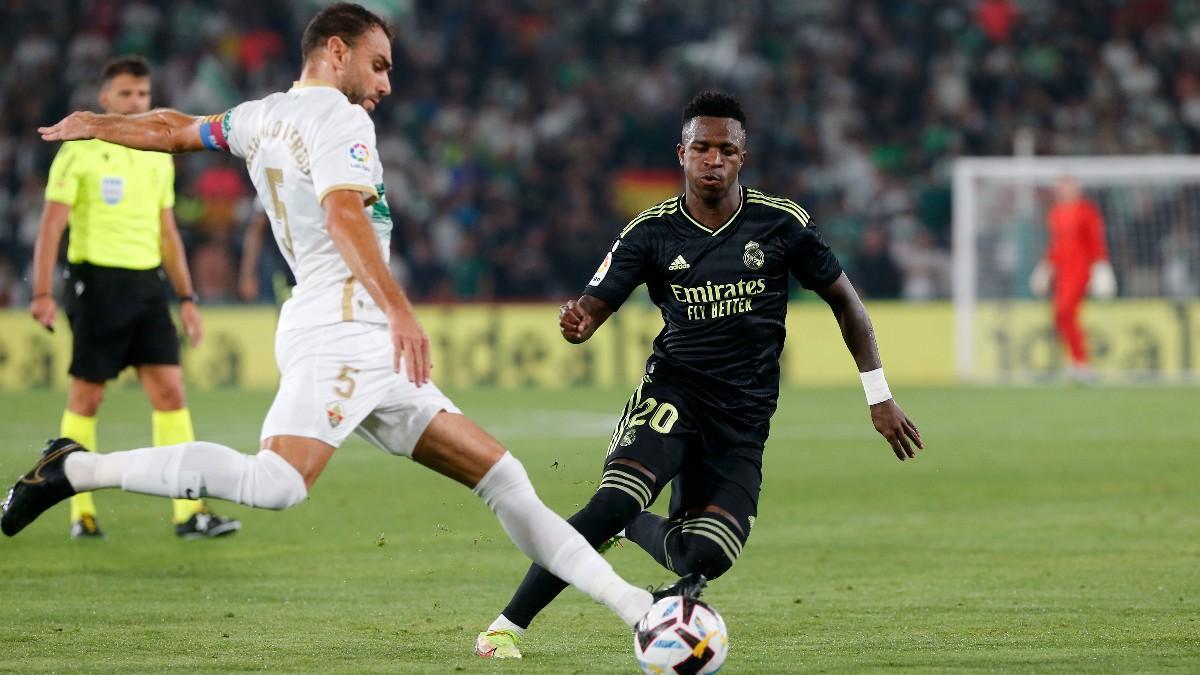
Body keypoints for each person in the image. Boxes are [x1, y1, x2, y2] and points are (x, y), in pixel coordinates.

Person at [10, 2, 682, 633]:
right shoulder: (340, 120)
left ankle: (637, 610)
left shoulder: (260, 115)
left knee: (504, 479)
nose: (387, 84)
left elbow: (178, 128)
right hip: (345, 330)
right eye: (380, 64)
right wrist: (401, 311)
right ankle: (74, 470)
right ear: (337, 51)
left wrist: (101, 125)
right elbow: (341, 213)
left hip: (352, 334)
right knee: (275, 484)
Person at [476, 91, 924, 659]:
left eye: (726, 149)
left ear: (743, 157)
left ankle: (633, 532)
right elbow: (597, 300)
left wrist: (878, 394)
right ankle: (504, 628)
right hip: (675, 392)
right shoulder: (650, 232)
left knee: (703, 556)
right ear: (681, 153)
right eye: (702, 148)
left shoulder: (781, 224)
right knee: (614, 499)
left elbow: (846, 302)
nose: (713, 159)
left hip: (743, 416)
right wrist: (580, 321)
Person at [29, 55, 239, 539]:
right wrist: (42, 292)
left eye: (142, 95)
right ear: (105, 99)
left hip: (147, 287)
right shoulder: (78, 152)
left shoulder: (156, 153)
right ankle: (79, 512)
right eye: (125, 95)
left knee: (170, 392)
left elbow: (168, 233)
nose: (135, 103)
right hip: (97, 282)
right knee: (87, 396)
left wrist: (186, 297)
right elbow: (51, 226)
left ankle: (189, 513)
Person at [1029, 176, 1116, 380]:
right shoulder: (1056, 213)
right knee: (1061, 317)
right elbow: (1055, 246)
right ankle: (1076, 361)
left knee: (1065, 310)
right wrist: (1045, 267)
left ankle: (1081, 363)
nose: (1064, 191)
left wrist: (1101, 267)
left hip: (1080, 271)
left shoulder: (1087, 211)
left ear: (1077, 189)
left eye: (1068, 187)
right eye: (1061, 187)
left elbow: (1095, 240)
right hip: (1062, 273)